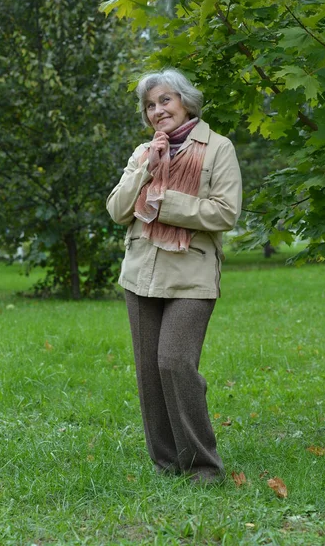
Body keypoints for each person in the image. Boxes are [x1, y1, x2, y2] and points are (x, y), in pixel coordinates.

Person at [106, 69, 242, 484]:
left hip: (191, 274)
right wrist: (144, 169)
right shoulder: (143, 151)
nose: (157, 110)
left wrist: (166, 205)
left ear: (185, 101)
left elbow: (225, 212)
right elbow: (117, 210)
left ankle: (203, 466)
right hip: (140, 273)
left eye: (165, 100)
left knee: (175, 363)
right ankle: (166, 464)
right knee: (149, 372)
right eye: (150, 105)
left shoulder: (218, 148)